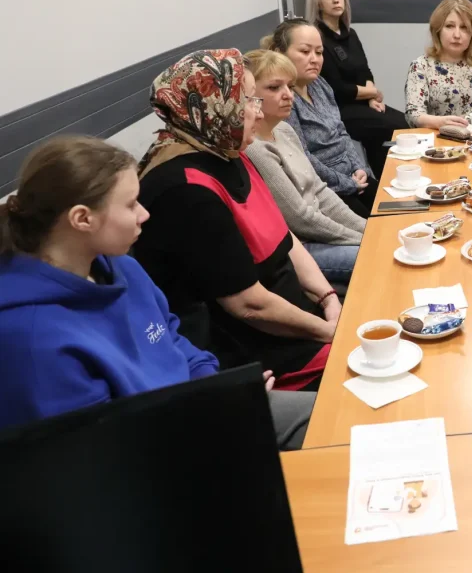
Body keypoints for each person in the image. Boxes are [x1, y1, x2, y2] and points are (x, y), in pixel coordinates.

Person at [0, 136, 314, 449]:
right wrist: (213, 409)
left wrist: (218, 388)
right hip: (157, 450)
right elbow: (101, 450)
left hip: (197, 413)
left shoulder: (123, 267)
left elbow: (173, 339)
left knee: (330, 419)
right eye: (130, 205)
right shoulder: (33, 338)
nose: (144, 214)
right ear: (82, 219)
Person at [132, 49, 340, 392]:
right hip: (257, 351)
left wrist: (328, 297)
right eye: (248, 100)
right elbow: (249, 307)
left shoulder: (227, 152)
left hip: (298, 319)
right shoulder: (184, 189)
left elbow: (284, 236)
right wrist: (329, 332)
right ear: (212, 106)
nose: (258, 112)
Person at [243, 49, 365, 285]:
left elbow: (320, 192)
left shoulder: (285, 130)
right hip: (301, 247)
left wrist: (367, 229)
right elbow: (300, 219)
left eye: (290, 86)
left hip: (322, 233)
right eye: (274, 88)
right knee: (380, 254)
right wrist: (362, 239)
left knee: (385, 238)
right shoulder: (254, 148)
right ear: (249, 95)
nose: (288, 95)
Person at [262, 19, 376, 218]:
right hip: (327, 189)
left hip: (352, 176)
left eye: (319, 52)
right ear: (279, 53)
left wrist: (359, 167)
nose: (314, 59)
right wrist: (347, 183)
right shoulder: (284, 101)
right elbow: (304, 158)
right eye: (305, 51)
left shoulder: (320, 85)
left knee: (398, 210)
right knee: (375, 229)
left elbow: (341, 131)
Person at [309, 0, 407, 177]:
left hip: (363, 103)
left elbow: (365, 71)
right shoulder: (318, 39)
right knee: (397, 127)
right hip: (339, 109)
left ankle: (386, 179)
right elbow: (337, 89)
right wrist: (372, 93)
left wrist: (372, 98)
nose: (336, 0)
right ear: (318, 3)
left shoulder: (350, 34)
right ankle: (386, 178)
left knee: (405, 122)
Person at [404, 0, 472, 130]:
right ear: (437, 30)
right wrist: (440, 123)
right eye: (449, 26)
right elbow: (414, 114)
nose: (457, 35)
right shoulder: (421, 66)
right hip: (439, 137)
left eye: (464, 27)